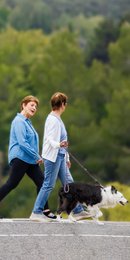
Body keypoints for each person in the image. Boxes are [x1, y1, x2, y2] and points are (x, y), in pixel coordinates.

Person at [0, 95, 56, 220]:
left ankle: (44, 210)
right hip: (21, 157)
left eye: (36, 107)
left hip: (30, 159)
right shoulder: (19, 121)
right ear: (23, 105)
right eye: (31, 105)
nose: (34, 108)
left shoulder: (28, 123)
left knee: (42, 182)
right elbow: (22, 142)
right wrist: (36, 155)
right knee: (12, 183)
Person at [30, 92, 91, 222]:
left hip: (60, 157)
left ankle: (78, 211)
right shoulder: (53, 120)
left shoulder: (58, 119)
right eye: (65, 103)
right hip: (53, 157)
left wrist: (66, 158)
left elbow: (63, 140)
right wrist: (59, 145)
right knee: (48, 184)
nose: (66, 105)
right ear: (62, 104)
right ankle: (36, 211)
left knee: (69, 182)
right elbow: (50, 141)